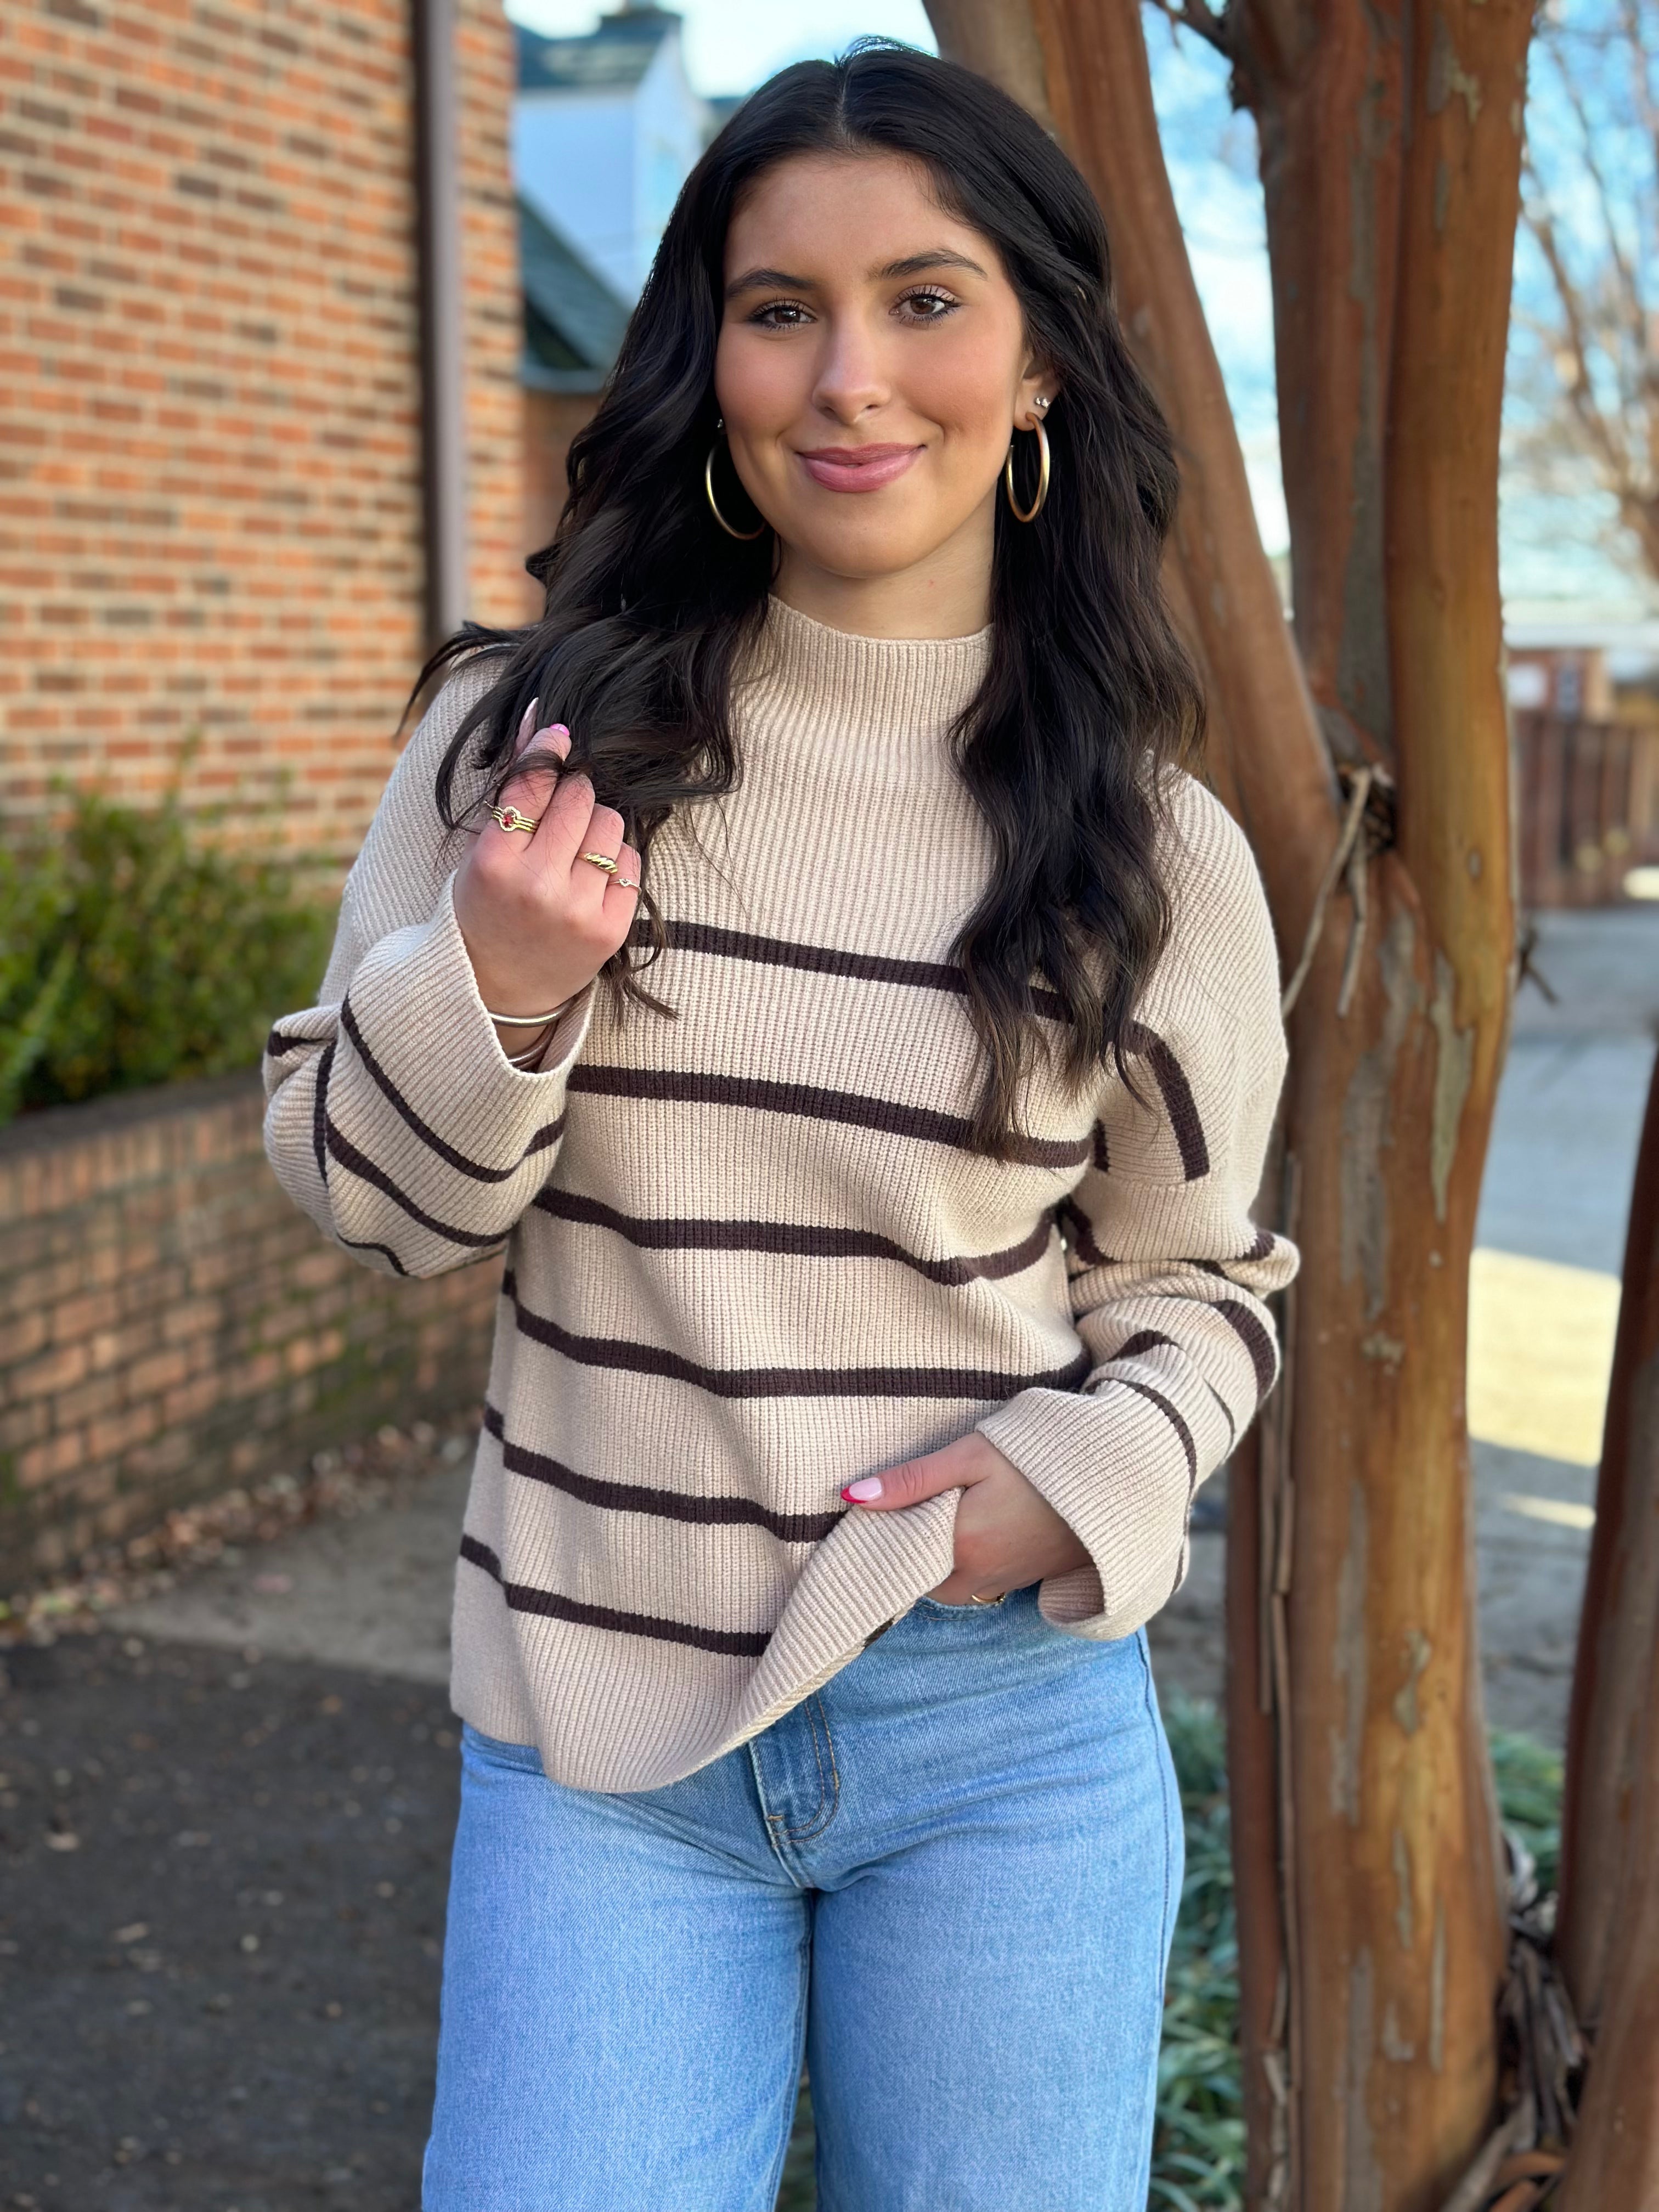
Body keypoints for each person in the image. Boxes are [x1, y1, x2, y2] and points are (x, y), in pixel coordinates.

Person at [263, 40, 1296, 2212]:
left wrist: (1080, 1470)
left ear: (1034, 373)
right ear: (705, 357)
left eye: (926, 302)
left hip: (993, 1731)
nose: (851, 377)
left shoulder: (1152, 848)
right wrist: (507, 989)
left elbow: (1201, 1294)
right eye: (779, 308)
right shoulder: (524, 741)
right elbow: (373, 1203)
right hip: (596, 1729)